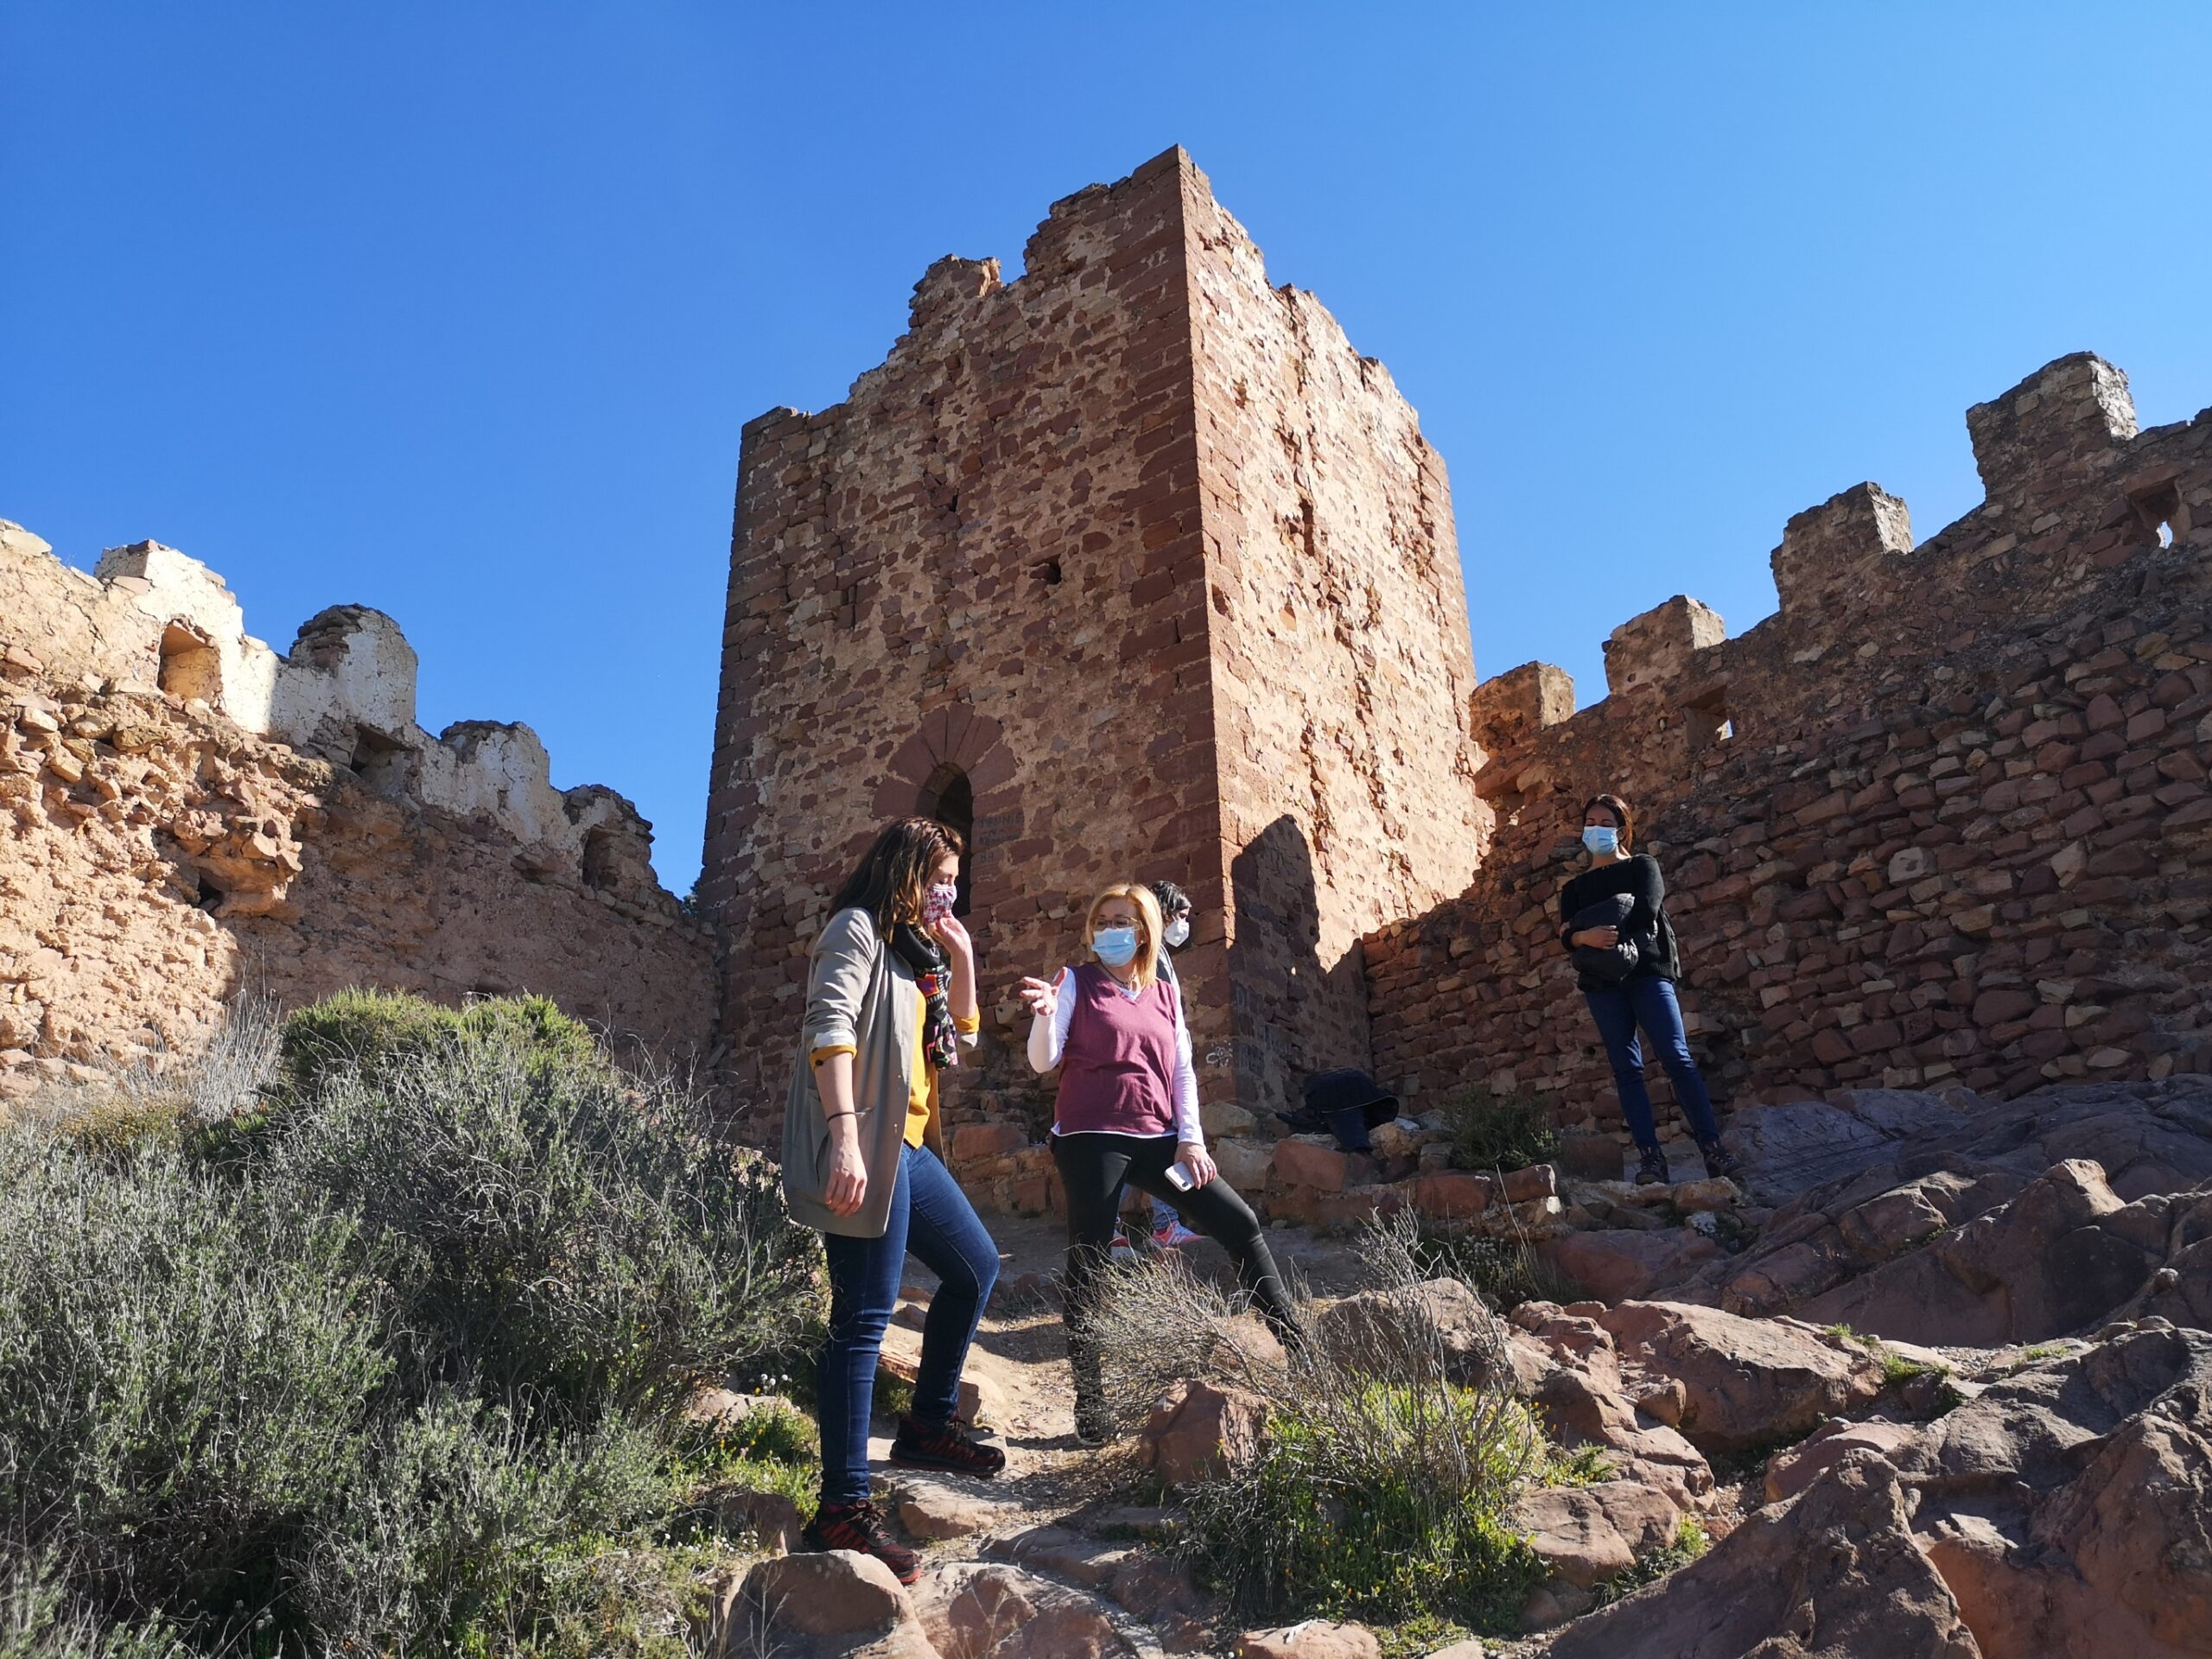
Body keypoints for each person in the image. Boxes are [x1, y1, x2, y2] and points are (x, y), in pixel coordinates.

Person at [783, 817, 1003, 1584]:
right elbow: (828, 1026)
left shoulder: (918, 957)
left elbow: (962, 1039)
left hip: (909, 1148)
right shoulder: (856, 931)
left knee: (976, 1268)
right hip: (867, 1143)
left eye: (956, 879)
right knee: (862, 1321)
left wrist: (964, 955)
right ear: (906, 872)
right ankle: (841, 1508)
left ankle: (926, 1427)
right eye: (939, 876)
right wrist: (844, 1135)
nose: (949, 890)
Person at [1019, 883, 1300, 1445]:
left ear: (1144, 929)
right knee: (1092, 1259)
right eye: (1103, 920)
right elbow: (1043, 1062)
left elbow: (1183, 1072)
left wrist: (1191, 1141)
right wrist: (1046, 1017)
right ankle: (1091, 1402)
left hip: (1160, 1139)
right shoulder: (1075, 981)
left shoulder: (1165, 993)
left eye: (1122, 919)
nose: (1111, 929)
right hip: (1091, 1137)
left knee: (1239, 1223)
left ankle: (1301, 1352)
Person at [1559, 793, 1742, 1187]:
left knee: (1677, 1057)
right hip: (1602, 983)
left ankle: (1713, 1150)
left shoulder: (1643, 866)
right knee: (1627, 1069)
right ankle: (1651, 1160)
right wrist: (1585, 936)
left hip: (1647, 972)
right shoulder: (1574, 888)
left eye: (1604, 822)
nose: (1595, 829)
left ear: (1622, 829)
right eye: (1589, 821)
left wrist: (1593, 932)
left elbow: (1647, 909)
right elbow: (1565, 935)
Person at [1140, 879, 1202, 1249]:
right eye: (1180, 915)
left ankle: (1123, 1229)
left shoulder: (1159, 954)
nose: (1184, 924)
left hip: (1159, 1061)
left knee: (1134, 1146)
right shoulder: (1152, 955)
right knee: (1161, 1140)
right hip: (1156, 1064)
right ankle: (1165, 1224)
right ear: (1162, 913)